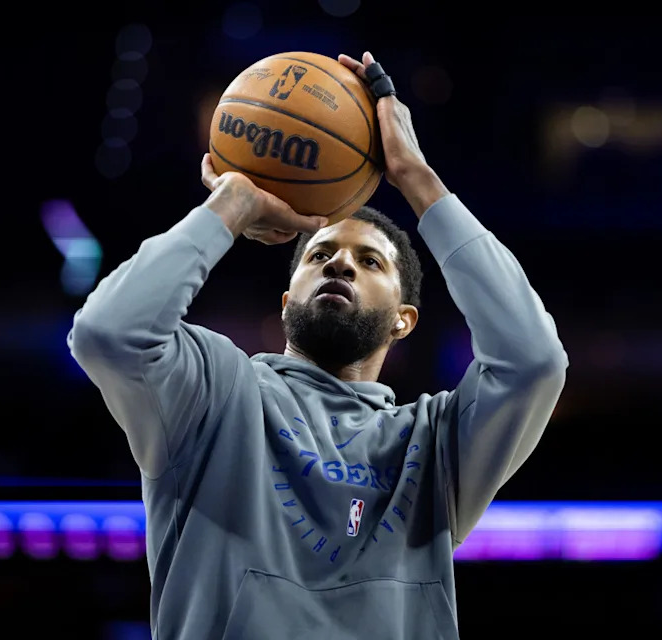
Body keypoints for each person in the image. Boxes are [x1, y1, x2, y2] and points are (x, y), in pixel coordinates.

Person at [69, 51, 568, 640]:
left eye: (370, 261)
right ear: (286, 301)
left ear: (403, 320)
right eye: (319, 254)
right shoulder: (215, 393)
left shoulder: (434, 446)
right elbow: (108, 332)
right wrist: (230, 204)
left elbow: (533, 361)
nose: (340, 264)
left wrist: (415, 176)